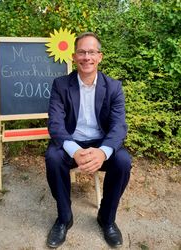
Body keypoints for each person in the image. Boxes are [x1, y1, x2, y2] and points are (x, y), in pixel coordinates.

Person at [45, 32, 132, 249]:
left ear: (100, 56)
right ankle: (64, 218)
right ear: (74, 57)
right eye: (82, 52)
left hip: (100, 143)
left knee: (123, 161)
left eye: (92, 52)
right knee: (53, 157)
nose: (87, 57)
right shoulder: (61, 85)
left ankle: (107, 218)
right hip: (71, 143)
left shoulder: (113, 87)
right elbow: (55, 124)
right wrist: (74, 150)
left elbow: (119, 126)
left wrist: (103, 152)